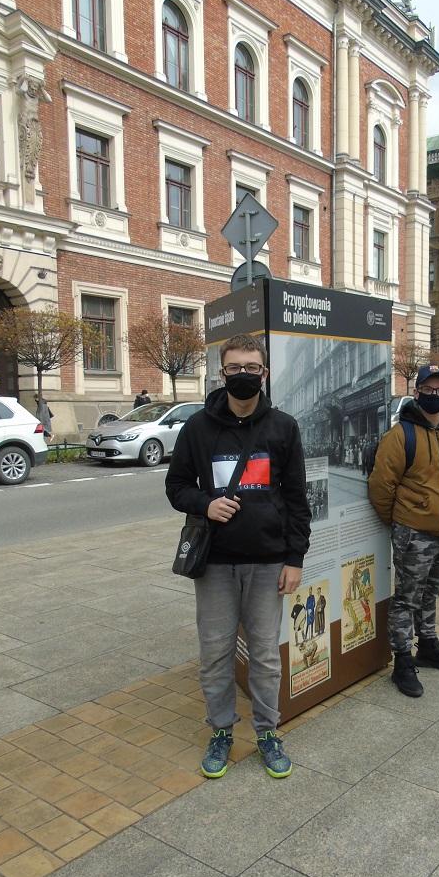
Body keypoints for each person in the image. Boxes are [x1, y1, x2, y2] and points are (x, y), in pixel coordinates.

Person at [166, 333, 311, 779]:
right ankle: (222, 730)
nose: (244, 376)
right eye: (235, 369)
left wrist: (294, 558)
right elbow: (176, 487)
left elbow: (297, 499)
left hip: (269, 563)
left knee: (265, 655)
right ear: (222, 373)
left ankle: (267, 731)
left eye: (253, 368)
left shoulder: (283, 427)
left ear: (264, 373)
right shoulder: (197, 429)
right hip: (216, 565)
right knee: (215, 653)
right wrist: (205, 504)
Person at [368, 364, 439, 698]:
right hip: (415, 535)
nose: (435, 395)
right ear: (417, 391)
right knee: (406, 599)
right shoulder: (400, 436)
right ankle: (402, 662)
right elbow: (382, 487)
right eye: (429, 389)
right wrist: (403, 522)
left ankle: (427, 644)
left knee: (430, 594)